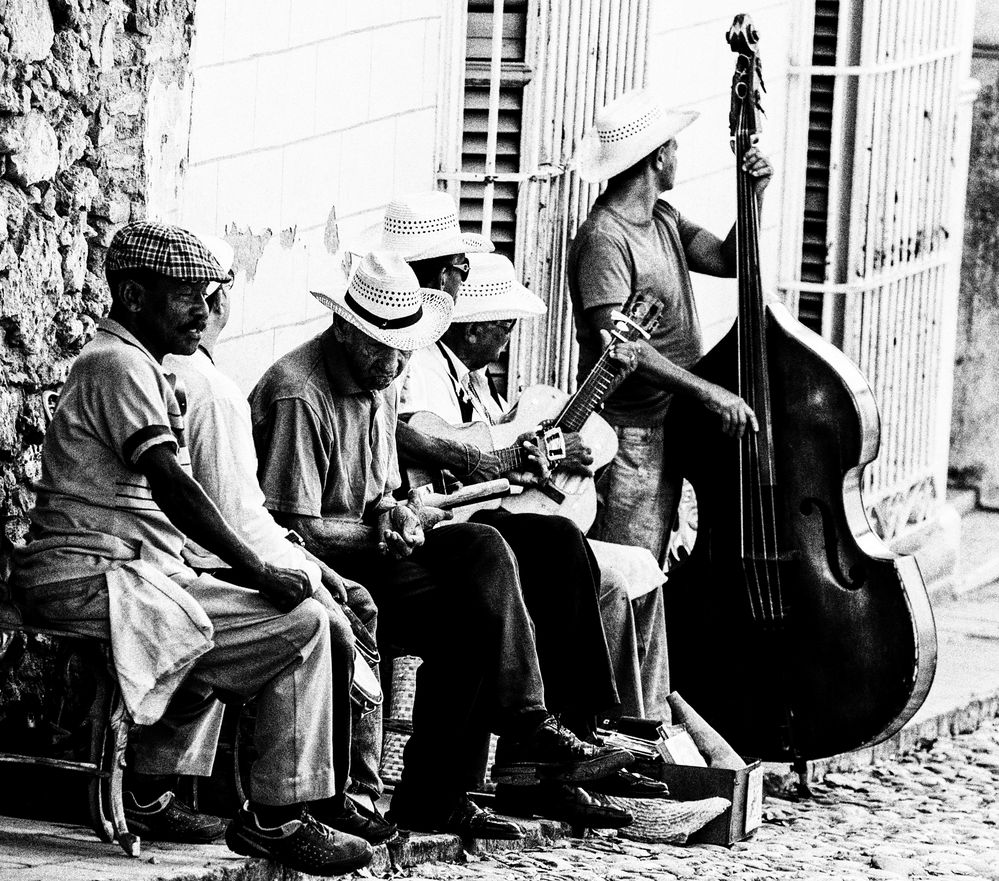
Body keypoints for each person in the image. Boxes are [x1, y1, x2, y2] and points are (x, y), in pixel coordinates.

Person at [9, 221, 372, 876]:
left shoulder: (138, 364)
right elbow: (175, 485)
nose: (201, 309)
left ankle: (149, 790)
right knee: (301, 624)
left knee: (233, 616)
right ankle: (277, 817)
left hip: (125, 567)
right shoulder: (116, 364)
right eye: (184, 294)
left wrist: (242, 570)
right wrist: (257, 566)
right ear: (134, 294)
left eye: (207, 294)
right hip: (91, 572)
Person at [249, 251, 633, 839]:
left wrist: (396, 512)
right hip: (317, 565)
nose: (394, 362)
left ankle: (482, 762)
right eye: (381, 347)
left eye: (403, 349)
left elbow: (379, 494)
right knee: (475, 608)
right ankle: (522, 725)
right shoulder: (300, 392)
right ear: (346, 329)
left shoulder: (379, 378)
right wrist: (382, 527)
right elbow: (291, 530)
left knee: (496, 552)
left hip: (374, 549)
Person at [399, 250, 675, 813]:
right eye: (503, 326)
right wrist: (494, 459)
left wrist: (543, 449)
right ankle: (554, 746)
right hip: (450, 524)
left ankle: (582, 741)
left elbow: (515, 444)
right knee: (560, 554)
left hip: (485, 519)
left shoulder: (476, 381)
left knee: (565, 549)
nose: (506, 338)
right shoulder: (421, 366)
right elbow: (418, 433)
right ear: (474, 326)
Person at [163, 236, 395, 846]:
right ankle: (282, 811)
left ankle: (351, 792)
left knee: (351, 606)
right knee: (317, 624)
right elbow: (240, 518)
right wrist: (307, 573)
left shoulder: (182, 376)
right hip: (194, 562)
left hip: (214, 553)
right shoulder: (212, 390)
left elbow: (250, 517)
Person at [566, 89, 772, 689]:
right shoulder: (604, 238)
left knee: (652, 572)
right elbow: (620, 348)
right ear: (656, 157)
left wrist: (751, 194)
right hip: (628, 434)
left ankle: (640, 713)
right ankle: (607, 713)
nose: (679, 154)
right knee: (624, 575)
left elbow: (733, 258)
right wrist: (706, 391)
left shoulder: (662, 219)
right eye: (673, 146)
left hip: (667, 426)